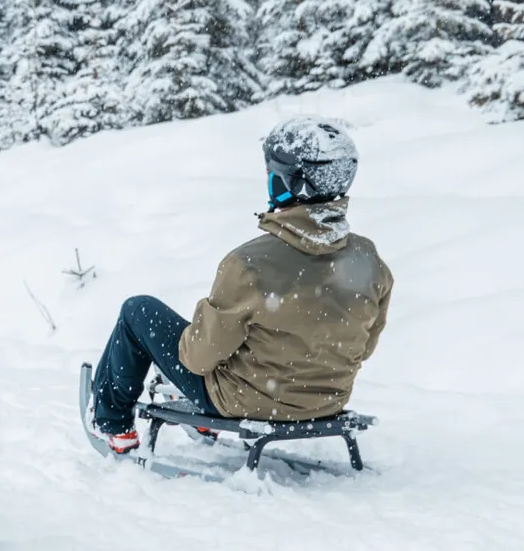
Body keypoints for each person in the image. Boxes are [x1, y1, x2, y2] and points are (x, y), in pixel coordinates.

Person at [90, 116, 392, 452]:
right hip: (327, 402)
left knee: (138, 311)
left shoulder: (249, 264)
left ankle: (112, 423)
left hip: (245, 402)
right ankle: (196, 415)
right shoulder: (368, 259)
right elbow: (363, 348)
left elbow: (196, 359)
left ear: (287, 182)